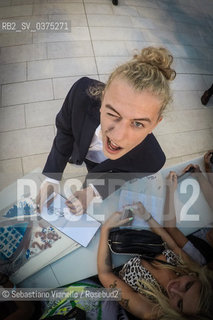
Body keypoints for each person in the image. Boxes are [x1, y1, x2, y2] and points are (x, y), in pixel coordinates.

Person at [36, 47, 176, 214]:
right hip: (86, 149)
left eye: (138, 123)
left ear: (155, 124)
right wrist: (52, 177)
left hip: (108, 168)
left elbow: (121, 175)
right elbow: (66, 131)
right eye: (112, 114)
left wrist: (93, 192)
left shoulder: (152, 161)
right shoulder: (81, 93)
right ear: (102, 100)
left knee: (97, 173)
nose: (118, 136)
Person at [97, 206, 213, 319]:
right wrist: (148, 217)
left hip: (104, 249)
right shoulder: (190, 269)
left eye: (180, 304)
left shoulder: (149, 310)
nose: (174, 289)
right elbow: (171, 245)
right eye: (187, 286)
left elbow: (105, 274)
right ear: (198, 278)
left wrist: (106, 229)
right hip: (133, 229)